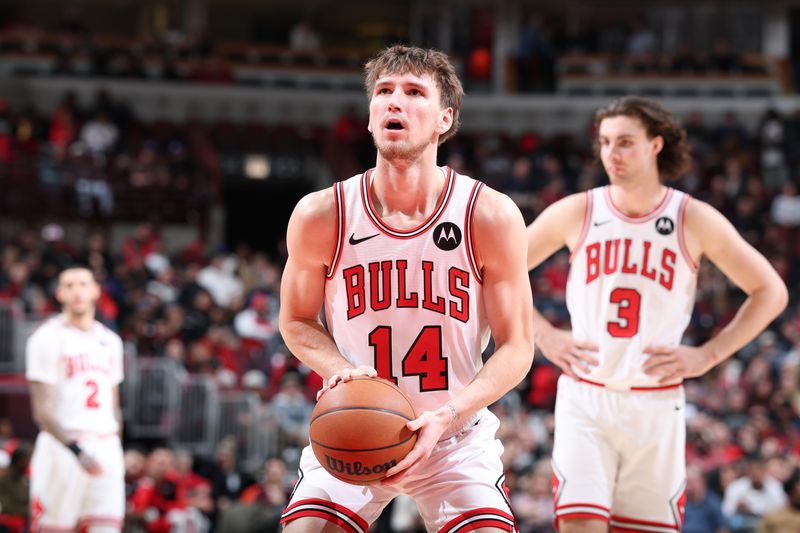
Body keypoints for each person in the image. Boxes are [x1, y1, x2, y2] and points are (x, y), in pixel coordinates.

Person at [278, 44, 534, 532]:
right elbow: (295, 319)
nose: (394, 101)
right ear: (371, 118)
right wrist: (340, 371)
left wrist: (450, 415)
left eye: (414, 92)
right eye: (383, 92)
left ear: (444, 118)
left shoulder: (489, 214)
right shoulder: (321, 214)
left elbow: (518, 347)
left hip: (453, 437)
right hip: (355, 427)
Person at [525, 95, 788, 533]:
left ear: (655, 145)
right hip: (587, 396)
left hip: (656, 402)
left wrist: (708, 355)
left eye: (626, 141)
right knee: (580, 525)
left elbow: (770, 292)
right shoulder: (579, 210)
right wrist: (545, 335)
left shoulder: (692, 218)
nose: (612, 153)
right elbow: (493, 273)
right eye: (606, 142)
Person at [25, 266, 125, 532]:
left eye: (83, 284)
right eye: (69, 285)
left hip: (106, 444)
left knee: (107, 527)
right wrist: (77, 451)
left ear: (96, 290)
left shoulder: (111, 341)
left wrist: (115, 447)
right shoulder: (46, 337)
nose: (76, 291)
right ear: (59, 294)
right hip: (64, 446)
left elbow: (114, 407)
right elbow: (42, 412)